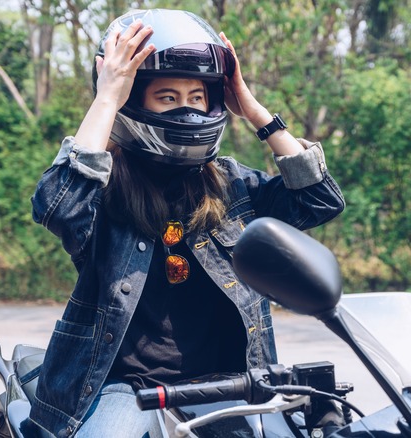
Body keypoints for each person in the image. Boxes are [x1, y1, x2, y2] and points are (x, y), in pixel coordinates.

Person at [29, 9, 344, 438]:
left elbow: (320, 200)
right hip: (127, 387)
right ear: (131, 100)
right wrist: (106, 99)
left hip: (232, 381)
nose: (187, 110)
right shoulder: (105, 191)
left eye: (197, 97)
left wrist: (253, 110)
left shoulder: (232, 185)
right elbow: (57, 206)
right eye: (168, 97)